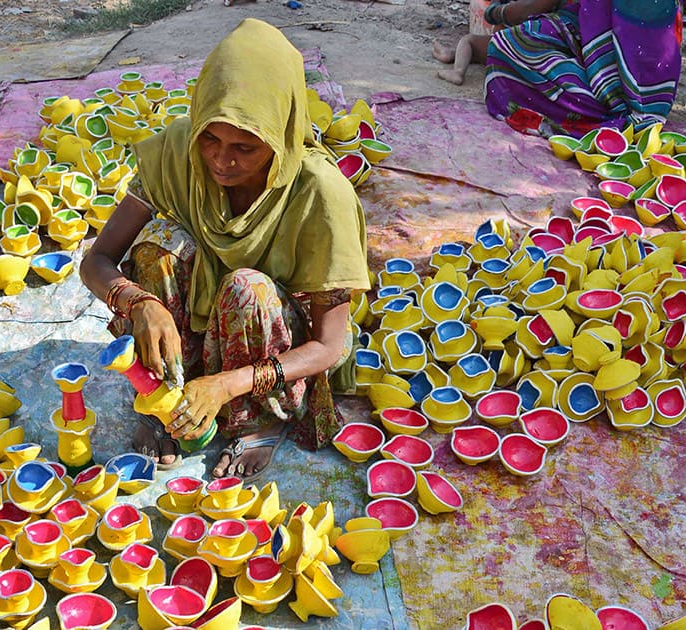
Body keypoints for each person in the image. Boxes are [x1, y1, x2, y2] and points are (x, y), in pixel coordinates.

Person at [80, 18, 371, 482]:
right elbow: (97, 260)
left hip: (273, 340)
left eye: (245, 148)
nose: (221, 160)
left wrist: (231, 382)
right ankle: (170, 396)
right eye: (210, 139)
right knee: (158, 249)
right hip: (198, 326)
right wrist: (140, 303)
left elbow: (329, 346)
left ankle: (255, 419)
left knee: (247, 288)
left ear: (280, 138)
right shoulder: (178, 152)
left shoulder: (320, 192)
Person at [484, 0, 683, 136]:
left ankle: (598, 111)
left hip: (606, 47)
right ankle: (622, 100)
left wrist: (494, 12)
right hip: (655, 80)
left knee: (504, 45)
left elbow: (528, 9)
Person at [433, 0, 563, 86]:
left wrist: (494, 10)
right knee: (489, 45)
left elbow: (522, 12)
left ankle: (458, 72)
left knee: (469, 40)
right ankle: (452, 54)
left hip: (532, 47)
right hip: (546, 45)